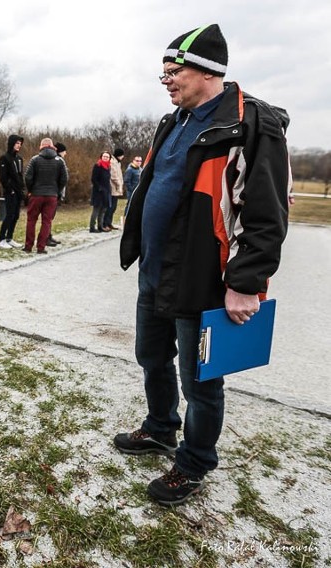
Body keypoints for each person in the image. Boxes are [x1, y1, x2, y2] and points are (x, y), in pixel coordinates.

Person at [115, 24, 291, 505]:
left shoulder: (254, 123)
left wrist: (246, 284)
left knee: (202, 382)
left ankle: (193, 463)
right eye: (164, 74)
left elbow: (267, 215)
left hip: (204, 280)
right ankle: (159, 428)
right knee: (152, 358)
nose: (166, 81)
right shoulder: (174, 120)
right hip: (156, 271)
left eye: (173, 71)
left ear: (207, 70)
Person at [23, 138, 68, 253]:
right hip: (52, 195)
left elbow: (28, 177)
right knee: (46, 222)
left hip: (36, 194)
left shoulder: (35, 159)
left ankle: (28, 246)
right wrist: (57, 191)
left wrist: (31, 189)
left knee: (31, 220)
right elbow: (64, 178)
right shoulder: (60, 161)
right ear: (52, 147)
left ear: (41, 146)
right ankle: (41, 247)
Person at [0, 135, 25, 249]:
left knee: (16, 215)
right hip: (10, 192)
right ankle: (1, 239)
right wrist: (10, 190)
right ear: (12, 143)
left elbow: (20, 175)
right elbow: (3, 177)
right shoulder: (4, 158)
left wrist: (22, 189)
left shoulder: (19, 159)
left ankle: (9, 237)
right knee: (9, 215)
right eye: (17, 143)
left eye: (20, 144)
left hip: (18, 191)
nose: (19, 145)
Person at [49, 142, 70, 245]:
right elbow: (63, 179)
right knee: (49, 216)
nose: (65, 153)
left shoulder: (55, 160)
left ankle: (48, 235)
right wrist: (60, 192)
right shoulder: (59, 161)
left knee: (50, 216)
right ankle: (47, 236)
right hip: (55, 192)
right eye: (64, 151)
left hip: (54, 191)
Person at [89, 151, 112, 233]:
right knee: (96, 209)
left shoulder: (108, 167)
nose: (105, 158)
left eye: (107, 157)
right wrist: (99, 188)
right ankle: (92, 227)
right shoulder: (97, 166)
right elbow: (94, 179)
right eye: (104, 156)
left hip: (106, 190)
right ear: (101, 157)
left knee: (103, 209)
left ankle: (100, 226)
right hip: (98, 191)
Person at [103, 148, 124, 230]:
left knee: (113, 207)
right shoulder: (113, 162)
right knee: (110, 207)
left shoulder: (118, 163)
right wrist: (119, 185)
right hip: (113, 187)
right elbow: (114, 176)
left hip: (116, 188)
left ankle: (109, 223)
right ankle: (105, 223)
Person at [122, 155, 143, 221]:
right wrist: (131, 189)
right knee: (130, 205)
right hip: (131, 191)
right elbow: (126, 181)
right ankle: (126, 219)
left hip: (139, 191)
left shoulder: (140, 169)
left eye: (140, 161)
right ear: (133, 161)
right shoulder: (130, 170)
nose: (139, 162)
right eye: (137, 161)